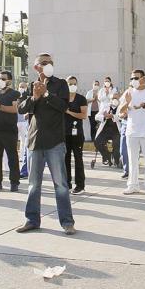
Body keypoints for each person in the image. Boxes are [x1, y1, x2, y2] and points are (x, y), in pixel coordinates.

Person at [16, 53, 76, 235]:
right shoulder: (30, 86)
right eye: (44, 63)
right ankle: (32, 220)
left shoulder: (61, 84)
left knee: (60, 184)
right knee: (33, 184)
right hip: (35, 140)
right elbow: (21, 108)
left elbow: (64, 107)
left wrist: (47, 94)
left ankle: (67, 222)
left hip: (55, 142)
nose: (48, 65)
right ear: (36, 67)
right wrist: (34, 97)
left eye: (50, 62)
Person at [64, 76, 87, 194]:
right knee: (65, 159)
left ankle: (80, 185)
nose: (72, 85)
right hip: (64, 134)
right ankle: (66, 184)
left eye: (74, 83)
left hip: (77, 134)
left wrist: (69, 112)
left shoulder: (81, 99)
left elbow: (83, 115)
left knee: (78, 159)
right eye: (69, 83)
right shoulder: (63, 98)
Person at [95, 96, 121, 170]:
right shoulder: (105, 107)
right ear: (111, 100)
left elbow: (122, 117)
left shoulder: (121, 107)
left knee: (116, 143)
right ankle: (107, 156)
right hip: (105, 130)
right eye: (113, 98)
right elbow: (96, 116)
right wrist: (104, 117)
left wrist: (113, 116)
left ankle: (116, 160)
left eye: (117, 98)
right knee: (98, 142)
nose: (115, 100)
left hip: (116, 131)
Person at [17, 82, 29, 178]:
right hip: (16, 121)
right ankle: (23, 170)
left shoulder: (29, 97)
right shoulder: (16, 96)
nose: (21, 88)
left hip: (26, 123)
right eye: (20, 87)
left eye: (23, 87)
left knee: (25, 143)